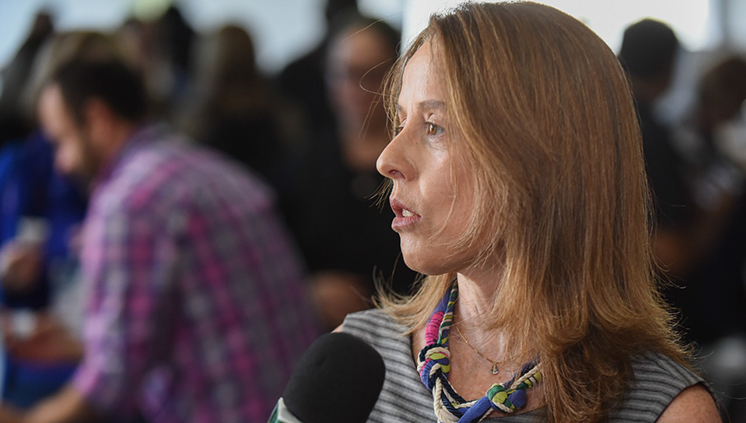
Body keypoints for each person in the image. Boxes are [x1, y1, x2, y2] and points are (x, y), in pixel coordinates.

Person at [339, 2, 721, 422]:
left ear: (541, 161)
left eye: (434, 126)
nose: (387, 158)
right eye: (401, 123)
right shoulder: (351, 363)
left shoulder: (669, 411)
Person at [0, 57, 318, 423]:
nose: (62, 164)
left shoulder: (129, 201)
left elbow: (108, 387)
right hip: (290, 407)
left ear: (98, 119)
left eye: (62, 141)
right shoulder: (203, 166)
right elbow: (200, 329)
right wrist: (80, 346)